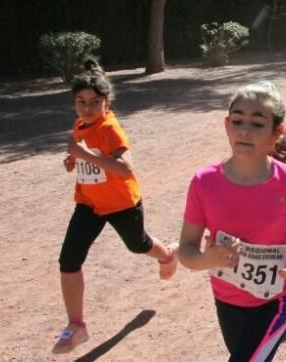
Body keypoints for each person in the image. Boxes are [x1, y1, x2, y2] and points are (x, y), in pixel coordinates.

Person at [179, 82, 286, 362]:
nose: (244, 130)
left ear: (276, 132)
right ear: (226, 125)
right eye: (237, 120)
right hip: (226, 299)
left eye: (257, 123)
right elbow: (186, 250)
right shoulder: (204, 183)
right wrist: (210, 259)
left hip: (276, 299)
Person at [53, 60, 178, 355]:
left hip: (122, 203)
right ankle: (76, 325)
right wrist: (73, 161)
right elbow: (85, 159)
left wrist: (84, 153)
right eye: (80, 102)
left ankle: (168, 255)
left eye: (94, 102)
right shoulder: (80, 125)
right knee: (68, 260)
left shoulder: (110, 128)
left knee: (139, 245)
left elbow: (124, 169)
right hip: (89, 203)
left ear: (106, 103)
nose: (86, 108)